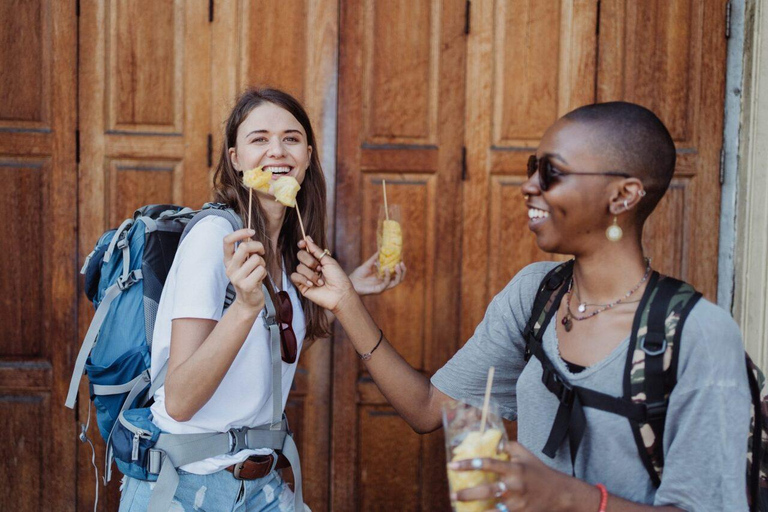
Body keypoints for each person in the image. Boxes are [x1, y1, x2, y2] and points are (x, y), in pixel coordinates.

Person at [291, 102, 750, 511]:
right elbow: (427, 409)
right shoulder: (537, 294)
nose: (529, 186)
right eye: (534, 167)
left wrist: (567, 498)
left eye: (551, 172)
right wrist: (346, 303)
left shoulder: (698, 333)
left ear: (623, 196)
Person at [118, 88, 406, 512]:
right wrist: (245, 307)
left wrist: (350, 291)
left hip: (260, 485)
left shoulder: (290, 253)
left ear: (308, 156)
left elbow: (264, 355)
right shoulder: (214, 239)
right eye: (259, 139)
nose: (277, 150)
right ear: (235, 159)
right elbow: (179, 401)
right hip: (186, 486)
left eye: (291, 139)